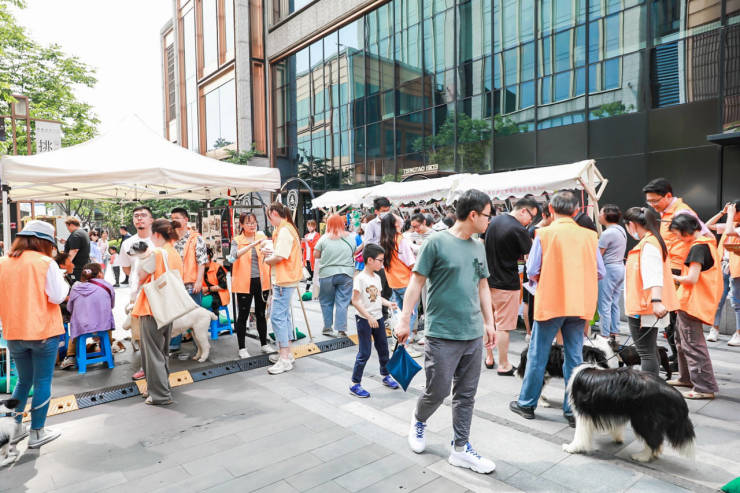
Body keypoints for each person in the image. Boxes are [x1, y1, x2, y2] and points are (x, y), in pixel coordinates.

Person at [397, 189, 496, 474]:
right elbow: (416, 283)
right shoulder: (436, 242)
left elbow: (483, 286)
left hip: (472, 332)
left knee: (466, 394)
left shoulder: (478, 246)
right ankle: (419, 419)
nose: (489, 221)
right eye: (487, 215)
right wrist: (405, 319)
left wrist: (489, 322)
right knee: (437, 391)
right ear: (473, 214)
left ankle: (461, 449)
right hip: (441, 333)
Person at [510, 191, 605, 427]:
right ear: (576, 211)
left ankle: (527, 403)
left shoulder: (544, 234)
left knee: (538, 353)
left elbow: (532, 270)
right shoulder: (590, 236)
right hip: (579, 302)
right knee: (574, 356)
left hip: (551, 301)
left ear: (551, 210)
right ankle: (572, 409)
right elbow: (600, 271)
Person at [0, 220, 69, 448]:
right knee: (42, 382)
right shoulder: (45, 263)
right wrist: (65, 283)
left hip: (13, 332)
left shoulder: (3, 262)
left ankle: (15, 429)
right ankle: (37, 432)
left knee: (23, 381)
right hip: (43, 332)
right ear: (44, 242)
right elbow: (57, 296)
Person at [643, 178, 712, 365]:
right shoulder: (666, 212)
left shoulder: (682, 212)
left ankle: (683, 362)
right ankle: (678, 359)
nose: (652, 205)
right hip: (671, 267)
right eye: (649, 202)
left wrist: (694, 263)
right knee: (673, 319)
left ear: (668, 196)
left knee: (675, 318)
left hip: (679, 270)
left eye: (655, 200)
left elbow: (706, 235)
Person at [667, 214, 721, 399]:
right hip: (691, 301)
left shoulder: (698, 247)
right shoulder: (708, 242)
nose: (678, 238)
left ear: (686, 230)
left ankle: (704, 387)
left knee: (692, 344)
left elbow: (692, 278)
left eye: (678, 234)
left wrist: (672, 277)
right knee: (682, 341)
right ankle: (686, 378)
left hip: (693, 302)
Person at [131, 218, 184, 405]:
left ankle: (160, 394)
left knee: (152, 352)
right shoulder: (174, 252)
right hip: (167, 306)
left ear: (156, 234)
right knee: (161, 351)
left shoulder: (157, 252)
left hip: (152, 307)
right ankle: (160, 387)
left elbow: (141, 275)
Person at [483, 197, 538, 375]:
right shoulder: (518, 229)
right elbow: (532, 257)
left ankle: (489, 357)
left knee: (489, 322)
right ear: (523, 211)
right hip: (506, 283)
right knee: (503, 326)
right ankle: (504, 364)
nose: (530, 221)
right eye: (531, 217)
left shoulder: (494, 221)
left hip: (487, 281)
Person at [622, 207, 677, 375]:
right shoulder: (652, 242)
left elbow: (654, 275)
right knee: (650, 350)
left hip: (645, 305)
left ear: (632, 224)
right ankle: (653, 385)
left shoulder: (648, 245)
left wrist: (656, 301)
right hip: (646, 304)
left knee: (646, 352)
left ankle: (648, 387)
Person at [349, 243, 400, 397]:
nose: (382, 263)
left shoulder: (377, 277)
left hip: (378, 318)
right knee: (364, 352)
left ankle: (385, 375)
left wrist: (388, 303)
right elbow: (355, 301)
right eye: (380, 260)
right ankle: (355, 384)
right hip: (364, 320)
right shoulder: (360, 279)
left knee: (383, 349)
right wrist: (368, 316)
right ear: (370, 260)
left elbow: (377, 297)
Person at [262, 202, 304, 375]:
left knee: (277, 317)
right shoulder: (286, 228)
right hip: (287, 278)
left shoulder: (284, 230)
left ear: (273, 213)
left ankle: (284, 357)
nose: (270, 220)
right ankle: (287, 354)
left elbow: (280, 256)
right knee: (283, 317)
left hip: (283, 279)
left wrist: (267, 259)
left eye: (269, 216)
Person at [117, 206, 155, 382]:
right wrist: (135, 280)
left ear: (151, 220)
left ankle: (158, 366)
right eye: (136, 216)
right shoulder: (127, 243)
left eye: (143, 215)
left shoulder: (158, 239)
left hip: (157, 291)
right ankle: (146, 367)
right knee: (141, 332)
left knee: (159, 331)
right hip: (138, 293)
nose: (139, 218)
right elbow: (126, 268)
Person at [228, 212, 272, 358]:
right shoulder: (237, 240)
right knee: (243, 315)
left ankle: (264, 344)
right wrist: (251, 245)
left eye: (254, 222)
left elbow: (270, 254)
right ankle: (242, 348)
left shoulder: (262, 237)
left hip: (262, 281)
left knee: (261, 314)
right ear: (241, 225)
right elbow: (232, 257)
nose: (252, 225)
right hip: (244, 282)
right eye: (248, 223)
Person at [60, 263, 117, 370]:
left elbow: (70, 308)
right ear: (99, 274)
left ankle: (71, 356)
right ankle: (107, 350)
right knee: (107, 322)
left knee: (75, 326)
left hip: (82, 326)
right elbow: (111, 305)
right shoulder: (107, 286)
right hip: (102, 325)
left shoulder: (76, 288)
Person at [380, 213, 422, 357]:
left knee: (398, 315)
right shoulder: (400, 240)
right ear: (395, 224)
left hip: (394, 282)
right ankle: (405, 345)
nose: (401, 219)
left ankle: (397, 343)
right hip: (406, 282)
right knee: (409, 315)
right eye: (398, 218)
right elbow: (411, 263)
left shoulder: (385, 240)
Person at [170, 208, 208, 352]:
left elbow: (201, 261)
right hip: (175, 285)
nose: (174, 220)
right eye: (172, 218)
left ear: (186, 220)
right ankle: (174, 345)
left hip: (191, 283)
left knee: (195, 316)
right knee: (175, 315)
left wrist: (199, 281)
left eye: (177, 218)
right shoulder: (170, 238)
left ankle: (200, 347)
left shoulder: (196, 238)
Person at [314, 214, 356, 338]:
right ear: (343, 224)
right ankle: (341, 329)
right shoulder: (350, 238)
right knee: (342, 302)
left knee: (326, 301)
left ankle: (327, 328)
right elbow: (353, 252)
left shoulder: (324, 238)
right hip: (346, 274)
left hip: (327, 274)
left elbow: (316, 254)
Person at [706, 200, 740, 345]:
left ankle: (738, 333)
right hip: (723, 266)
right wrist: (722, 213)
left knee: (737, 302)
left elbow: (730, 232)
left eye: (735, 211)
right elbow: (707, 226)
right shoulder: (732, 224)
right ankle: (714, 328)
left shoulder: (733, 227)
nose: (732, 213)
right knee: (718, 300)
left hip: (736, 269)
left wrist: (730, 216)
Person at [522, 205, 553, 343]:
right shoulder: (533, 231)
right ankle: (530, 332)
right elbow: (528, 256)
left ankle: (533, 334)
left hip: (539, 272)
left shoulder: (546, 231)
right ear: (545, 215)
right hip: (533, 271)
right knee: (529, 302)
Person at [596, 204, 628, 340]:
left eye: (600, 212)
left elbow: (598, 256)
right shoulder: (621, 230)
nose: (598, 215)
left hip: (608, 269)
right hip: (620, 268)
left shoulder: (607, 233)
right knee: (614, 303)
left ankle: (604, 335)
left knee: (604, 304)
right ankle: (614, 332)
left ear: (605, 216)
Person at [63, 216, 90, 281]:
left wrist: (65, 265)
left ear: (71, 225)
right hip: (84, 266)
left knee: (75, 285)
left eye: (67, 226)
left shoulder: (75, 235)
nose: (67, 229)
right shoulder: (83, 233)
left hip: (76, 269)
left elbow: (74, 250)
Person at [203, 247, 229, 315]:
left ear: (208, 256)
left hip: (220, 295)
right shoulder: (199, 269)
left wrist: (207, 289)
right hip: (207, 294)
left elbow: (223, 286)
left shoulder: (217, 267)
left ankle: (215, 318)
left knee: (205, 303)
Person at [301, 219, 320, 294]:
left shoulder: (317, 235)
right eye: (308, 226)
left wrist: (307, 241)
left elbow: (315, 246)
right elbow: (303, 247)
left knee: (315, 276)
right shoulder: (306, 235)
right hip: (307, 258)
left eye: (311, 226)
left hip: (314, 259)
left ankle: (316, 292)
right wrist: (303, 241)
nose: (309, 227)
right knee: (309, 276)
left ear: (314, 227)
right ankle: (307, 291)